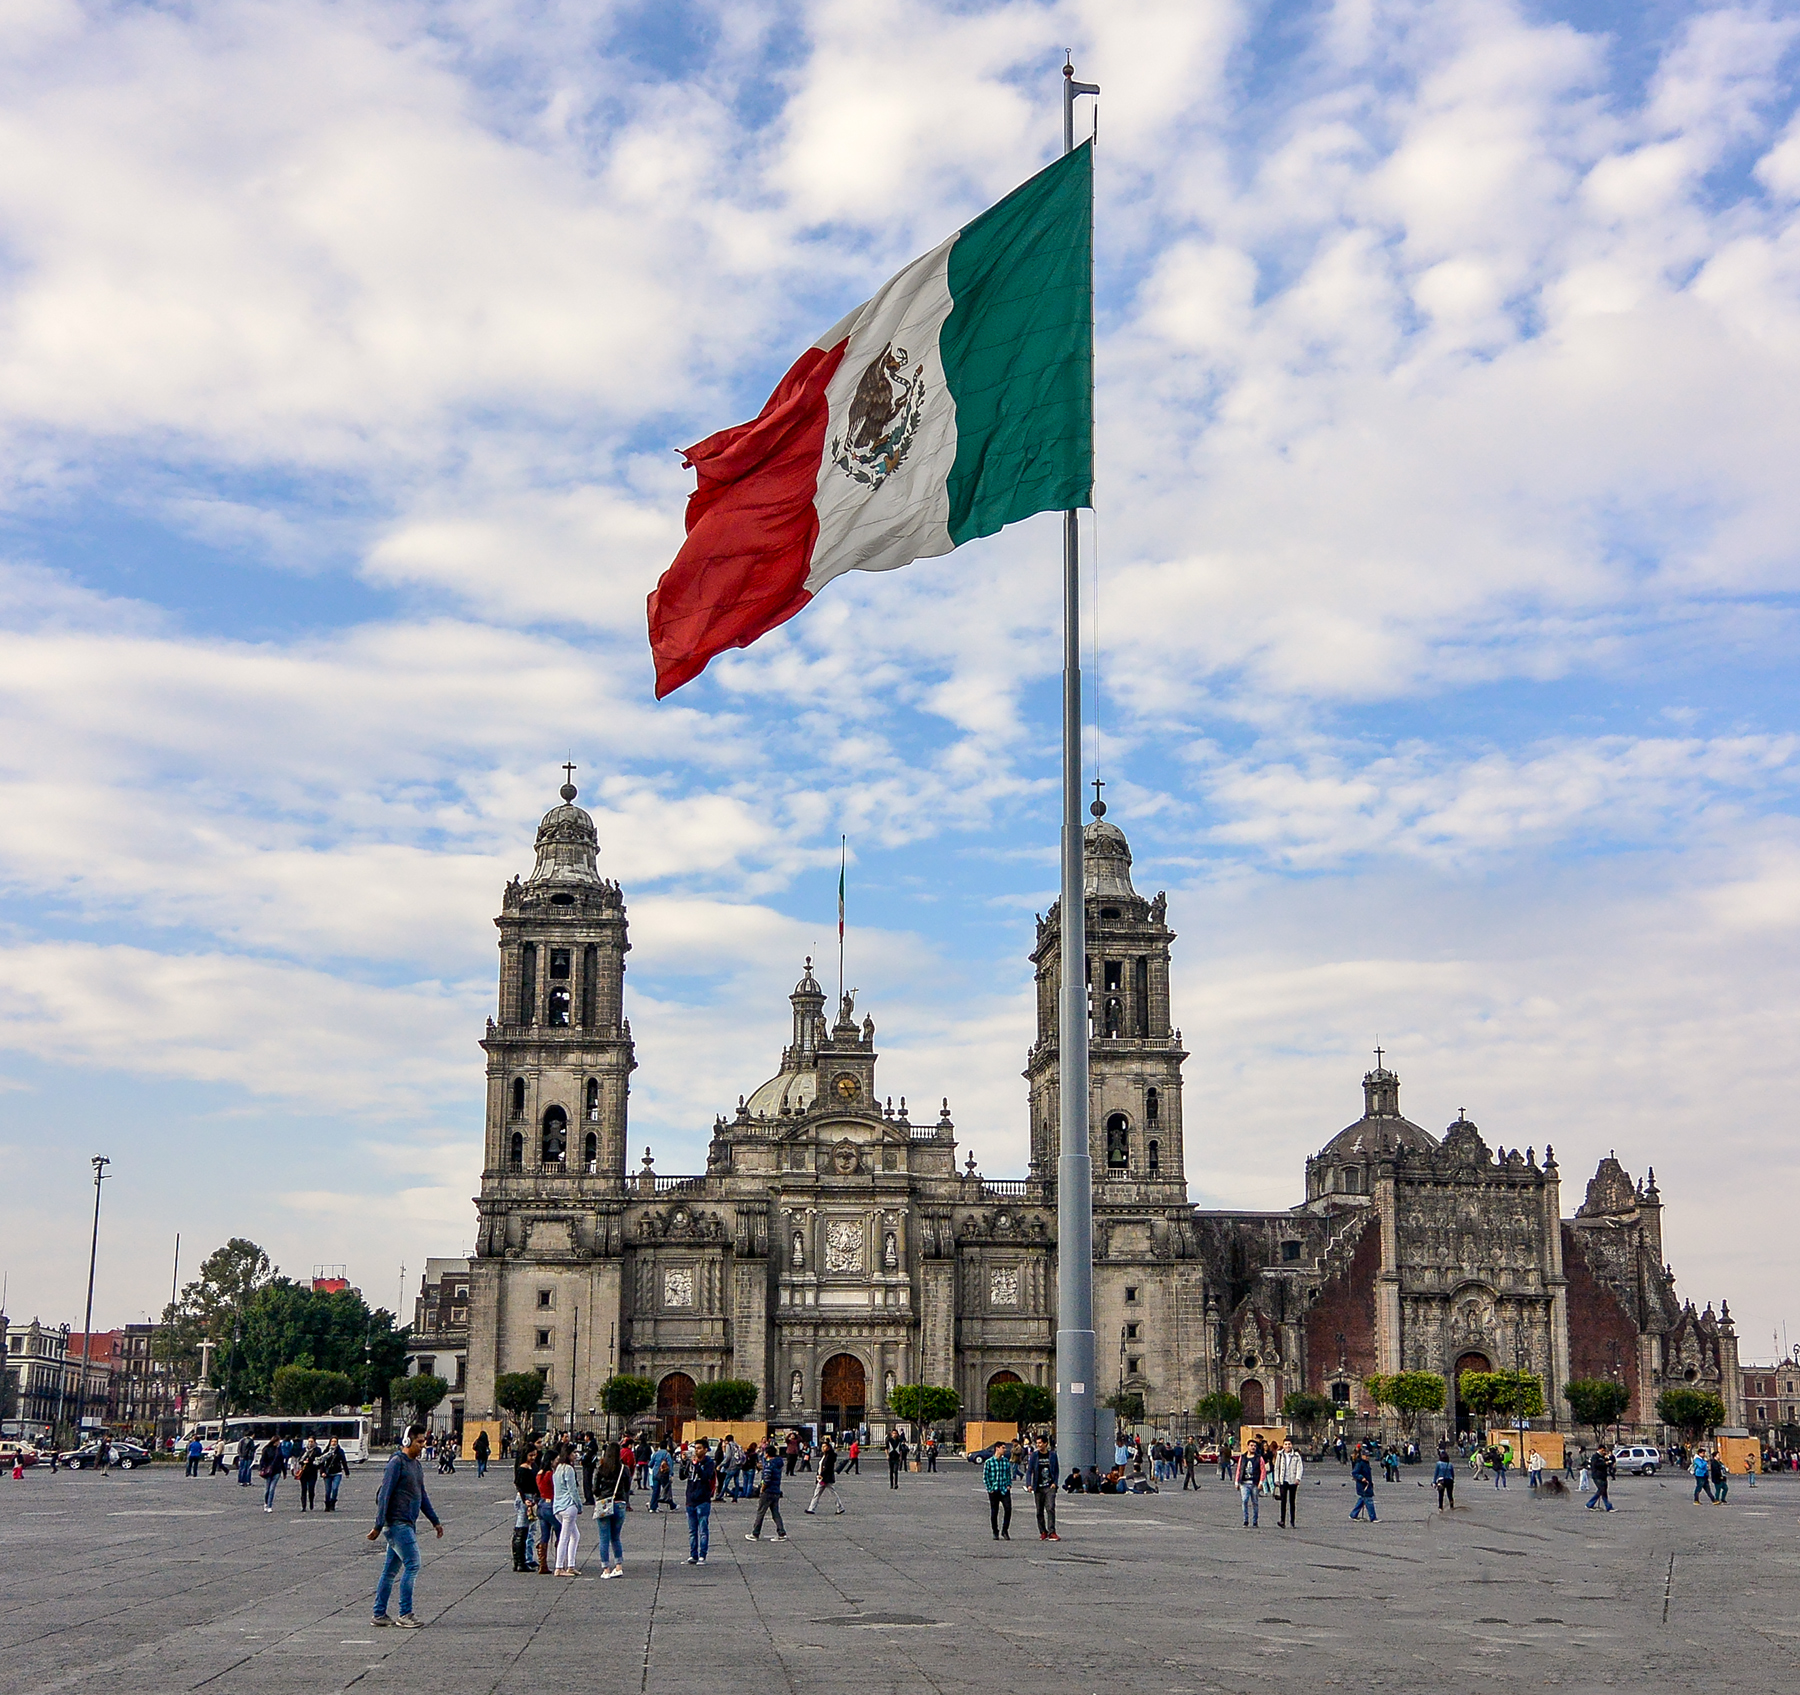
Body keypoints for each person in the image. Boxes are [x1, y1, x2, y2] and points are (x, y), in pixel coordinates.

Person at [369, 1425, 443, 1627]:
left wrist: (434, 1521)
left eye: (423, 1441)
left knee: (390, 1571)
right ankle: (405, 1613)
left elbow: (422, 1495)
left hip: (407, 1523)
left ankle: (379, 1613)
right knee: (413, 1563)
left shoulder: (416, 1466)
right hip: (396, 1523)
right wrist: (378, 1525)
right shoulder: (396, 1463)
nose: (422, 1445)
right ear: (407, 1441)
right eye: (419, 1441)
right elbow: (385, 1494)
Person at [594, 1441, 632, 1578]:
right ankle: (618, 1566)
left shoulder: (601, 1468)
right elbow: (627, 1487)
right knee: (616, 1537)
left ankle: (605, 1569)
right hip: (620, 1503)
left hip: (604, 1502)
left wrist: (601, 1495)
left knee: (604, 1538)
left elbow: (595, 1488)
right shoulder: (624, 1469)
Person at [551, 1442, 584, 1574]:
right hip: (569, 1505)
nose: (575, 1455)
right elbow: (573, 1490)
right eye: (573, 1453)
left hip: (558, 1505)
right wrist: (579, 1505)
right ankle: (559, 1567)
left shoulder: (557, 1468)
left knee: (574, 1535)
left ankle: (570, 1564)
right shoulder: (569, 1469)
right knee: (565, 1537)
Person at [684, 1436, 717, 1564]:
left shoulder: (709, 1463)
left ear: (705, 1450)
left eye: (699, 1448)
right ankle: (693, 1554)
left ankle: (702, 1554)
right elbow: (683, 1476)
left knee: (703, 1529)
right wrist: (684, 1463)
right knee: (692, 1531)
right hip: (690, 1499)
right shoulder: (691, 1462)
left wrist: (697, 1466)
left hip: (703, 1499)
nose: (696, 1451)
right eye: (695, 1448)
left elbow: (705, 1478)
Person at [747, 1442, 788, 1542]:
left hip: (768, 1491)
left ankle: (755, 1533)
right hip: (776, 1491)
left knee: (761, 1512)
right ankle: (781, 1532)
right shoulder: (778, 1463)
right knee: (775, 1513)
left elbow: (767, 1479)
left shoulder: (769, 1465)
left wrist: (762, 1488)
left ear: (767, 1454)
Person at [512, 1442, 540, 1572]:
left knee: (528, 1529)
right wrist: (525, 1500)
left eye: (534, 1455)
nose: (533, 1457)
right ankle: (519, 1561)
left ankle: (521, 1561)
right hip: (525, 1497)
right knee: (521, 1530)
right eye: (530, 1455)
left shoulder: (533, 1466)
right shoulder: (522, 1468)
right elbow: (519, 1486)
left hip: (532, 1497)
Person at [1026, 1434, 1059, 1541]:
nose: (1038, 1445)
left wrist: (1055, 1482)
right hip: (1038, 1487)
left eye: (1040, 1443)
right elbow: (1029, 1471)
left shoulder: (1053, 1455)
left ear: (1046, 1443)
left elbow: (1056, 1470)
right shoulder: (1034, 1456)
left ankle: (1052, 1531)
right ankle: (1043, 1531)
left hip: (1049, 1486)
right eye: (1037, 1443)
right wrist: (1029, 1484)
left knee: (1050, 1508)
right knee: (1039, 1511)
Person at [806, 1436, 847, 1516]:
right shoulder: (825, 1455)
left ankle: (840, 1507)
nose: (823, 1448)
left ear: (828, 1447)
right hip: (822, 1478)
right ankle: (811, 1508)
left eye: (824, 1446)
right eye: (822, 1446)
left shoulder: (830, 1456)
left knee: (830, 1493)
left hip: (825, 1478)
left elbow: (828, 1467)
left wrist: (822, 1475)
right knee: (818, 1493)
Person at [983, 1443, 1013, 1540]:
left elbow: (1009, 1474)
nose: (1005, 1449)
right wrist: (990, 1488)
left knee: (1008, 1509)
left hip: (1004, 1489)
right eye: (1003, 1448)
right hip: (994, 1490)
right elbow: (985, 1476)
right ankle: (995, 1531)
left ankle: (1005, 1530)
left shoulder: (1005, 1461)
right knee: (994, 1511)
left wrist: (1009, 1485)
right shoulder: (989, 1462)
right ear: (997, 1448)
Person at [535, 1451, 558, 1572]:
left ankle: (542, 1563)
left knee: (545, 1535)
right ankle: (560, 1561)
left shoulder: (539, 1474)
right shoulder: (551, 1474)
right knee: (561, 1531)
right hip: (551, 1503)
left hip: (542, 1503)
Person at [1273, 1440, 1304, 1528]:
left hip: (1293, 1480)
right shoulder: (1280, 1455)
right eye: (1286, 1444)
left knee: (1292, 1501)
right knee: (1283, 1501)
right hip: (1283, 1480)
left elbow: (1299, 1467)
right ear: (1283, 1445)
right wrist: (1276, 1479)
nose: (1287, 1446)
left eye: (1289, 1444)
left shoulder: (1296, 1455)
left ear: (1292, 1445)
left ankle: (1292, 1521)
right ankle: (1282, 1520)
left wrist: (1298, 1478)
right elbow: (1276, 1468)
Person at [1235, 1441, 1264, 1528]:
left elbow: (1263, 1471)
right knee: (1244, 1500)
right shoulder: (1243, 1457)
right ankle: (1245, 1520)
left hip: (1254, 1483)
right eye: (1251, 1445)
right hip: (1244, 1483)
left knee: (1255, 1502)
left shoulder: (1259, 1458)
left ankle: (1255, 1521)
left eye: (1254, 1446)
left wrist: (1261, 1482)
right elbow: (1239, 1469)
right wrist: (1237, 1481)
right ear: (1247, 1446)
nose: (1253, 1447)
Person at [258, 1436, 285, 1514]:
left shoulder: (279, 1450)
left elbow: (281, 1461)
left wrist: (284, 1472)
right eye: (278, 1441)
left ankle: (269, 1505)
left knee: (272, 1489)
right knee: (267, 1490)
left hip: (277, 1471)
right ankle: (266, 1503)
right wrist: (261, 1468)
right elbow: (262, 1460)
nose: (279, 1443)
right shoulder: (266, 1449)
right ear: (275, 1441)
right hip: (268, 1471)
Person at [1350, 1449, 1377, 1521]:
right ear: (1362, 1456)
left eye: (1368, 1456)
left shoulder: (1366, 1463)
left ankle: (1353, 1514)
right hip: (1362, 1485)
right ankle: (1373, 1517)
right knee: (1369, 1500)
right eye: (1366, 1456)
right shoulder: (1360, 1463)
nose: (1368, 1457)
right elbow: (1354, 1473)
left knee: (1362, 1500)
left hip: (1367, 1484)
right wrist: (1361, 1478)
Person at [648, 1440, 675, 1513]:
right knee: (667, 1490)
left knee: (655, 1491)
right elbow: (670, 1465)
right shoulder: (667, 1454)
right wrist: (671, 1474)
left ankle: (652, 1507)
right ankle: (672, 1505)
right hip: (664, 1475)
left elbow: (650, 1464)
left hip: (656, 1474)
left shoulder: (656, 1454)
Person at [1587, 1444, 1614, 1511]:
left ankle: (1608, 1507)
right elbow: (1595, 1465)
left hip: (1603, 1476)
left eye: (1604, 1450)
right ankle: (1590, 1504)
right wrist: (1605, 1463)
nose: (1603, 1451)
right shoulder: (1595, 1457)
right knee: (1601, 1490)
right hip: (1597, 1476)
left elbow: (1610, 1462)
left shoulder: (1603, 1457)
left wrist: (1608, 1459)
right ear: (1599, 1449)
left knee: (1604, 1491)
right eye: (1603, 1450)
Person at [297, 1439, 321, 1511]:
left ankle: (311, 1502)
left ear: (314, 1442)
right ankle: (303, 1506)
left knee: (311, 1489)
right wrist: (303, 1461)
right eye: (309, 1441)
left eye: (312, 1442)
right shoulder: (304, 1450)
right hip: (304, 1472)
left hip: (312, 1472)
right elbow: (300, 1460)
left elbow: (318, 1460)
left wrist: (310, 1460)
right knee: (303, 1489)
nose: (310, 1443)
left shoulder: (317, 1450)